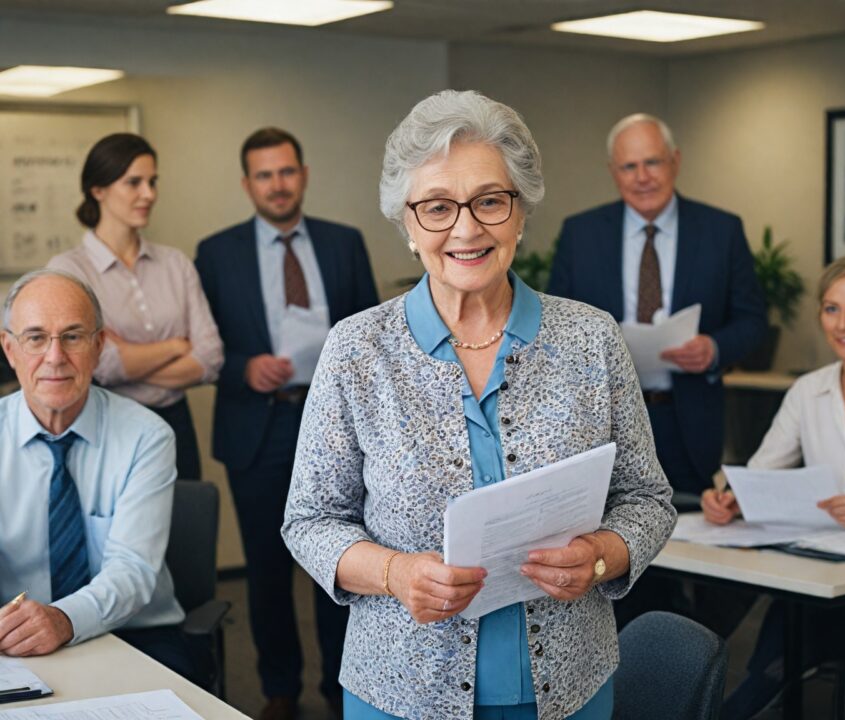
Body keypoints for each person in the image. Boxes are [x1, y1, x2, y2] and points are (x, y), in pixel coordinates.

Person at [282, 90, 676, 720]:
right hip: (401, 689)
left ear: (520, 213)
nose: (466, 229)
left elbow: (647, 499)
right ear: (408, 225)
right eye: (438, 207)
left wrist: (602, 556)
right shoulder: (357, 350)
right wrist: (394, 574)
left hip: (570, 686)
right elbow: (310, 520)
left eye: (490, 201)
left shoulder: (591, 338)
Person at [195, 127, 378, 720]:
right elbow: (204, 344)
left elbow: (374, 336)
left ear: (303, 174)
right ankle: (278, 688)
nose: (277, 185)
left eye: (286, 172)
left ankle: (340, 685)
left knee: (342, 557)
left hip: (339, 427)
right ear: (247, 183)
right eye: (264, 175)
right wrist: (244, 368)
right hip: (260, 425)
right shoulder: (216, 253)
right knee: (267, 568)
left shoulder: (343, 243)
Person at [702, 255, 845, 719]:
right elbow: (762, 470)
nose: (843, 324)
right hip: (818, 578)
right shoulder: (808, 391)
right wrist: (730, 498)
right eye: (831, 309)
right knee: (767, 668)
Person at [548, 113, 767, 500]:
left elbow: (752, 320)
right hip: (603, 424)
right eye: (629, 167)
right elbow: (555, 327)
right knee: (607, 526)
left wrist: (714, 349)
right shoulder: (581, 234)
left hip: (688, 421)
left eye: (652, 162)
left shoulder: (721, 231)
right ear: (613, 172)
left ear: (675, 161)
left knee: (693, 528)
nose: (642, 177)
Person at [0, 269, 192, 680]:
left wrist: (63, 619)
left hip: (135, 634)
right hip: (13, 638)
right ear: (9, 349)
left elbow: (132, 570)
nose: (55, 357)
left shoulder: (147, 436)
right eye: (35, 338)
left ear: (99, 346)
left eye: (72, 336)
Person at [48, 133, 223, 481]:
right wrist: (176, 346)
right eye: (134, 183)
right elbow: (99, 365)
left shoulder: (175, 264)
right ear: (98, 190)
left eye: (152, 182)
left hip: (176, 426)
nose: (149, 194)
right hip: (107, 426)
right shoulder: (68, 271)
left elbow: (211, 358)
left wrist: (127, 355)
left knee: (185, 514)